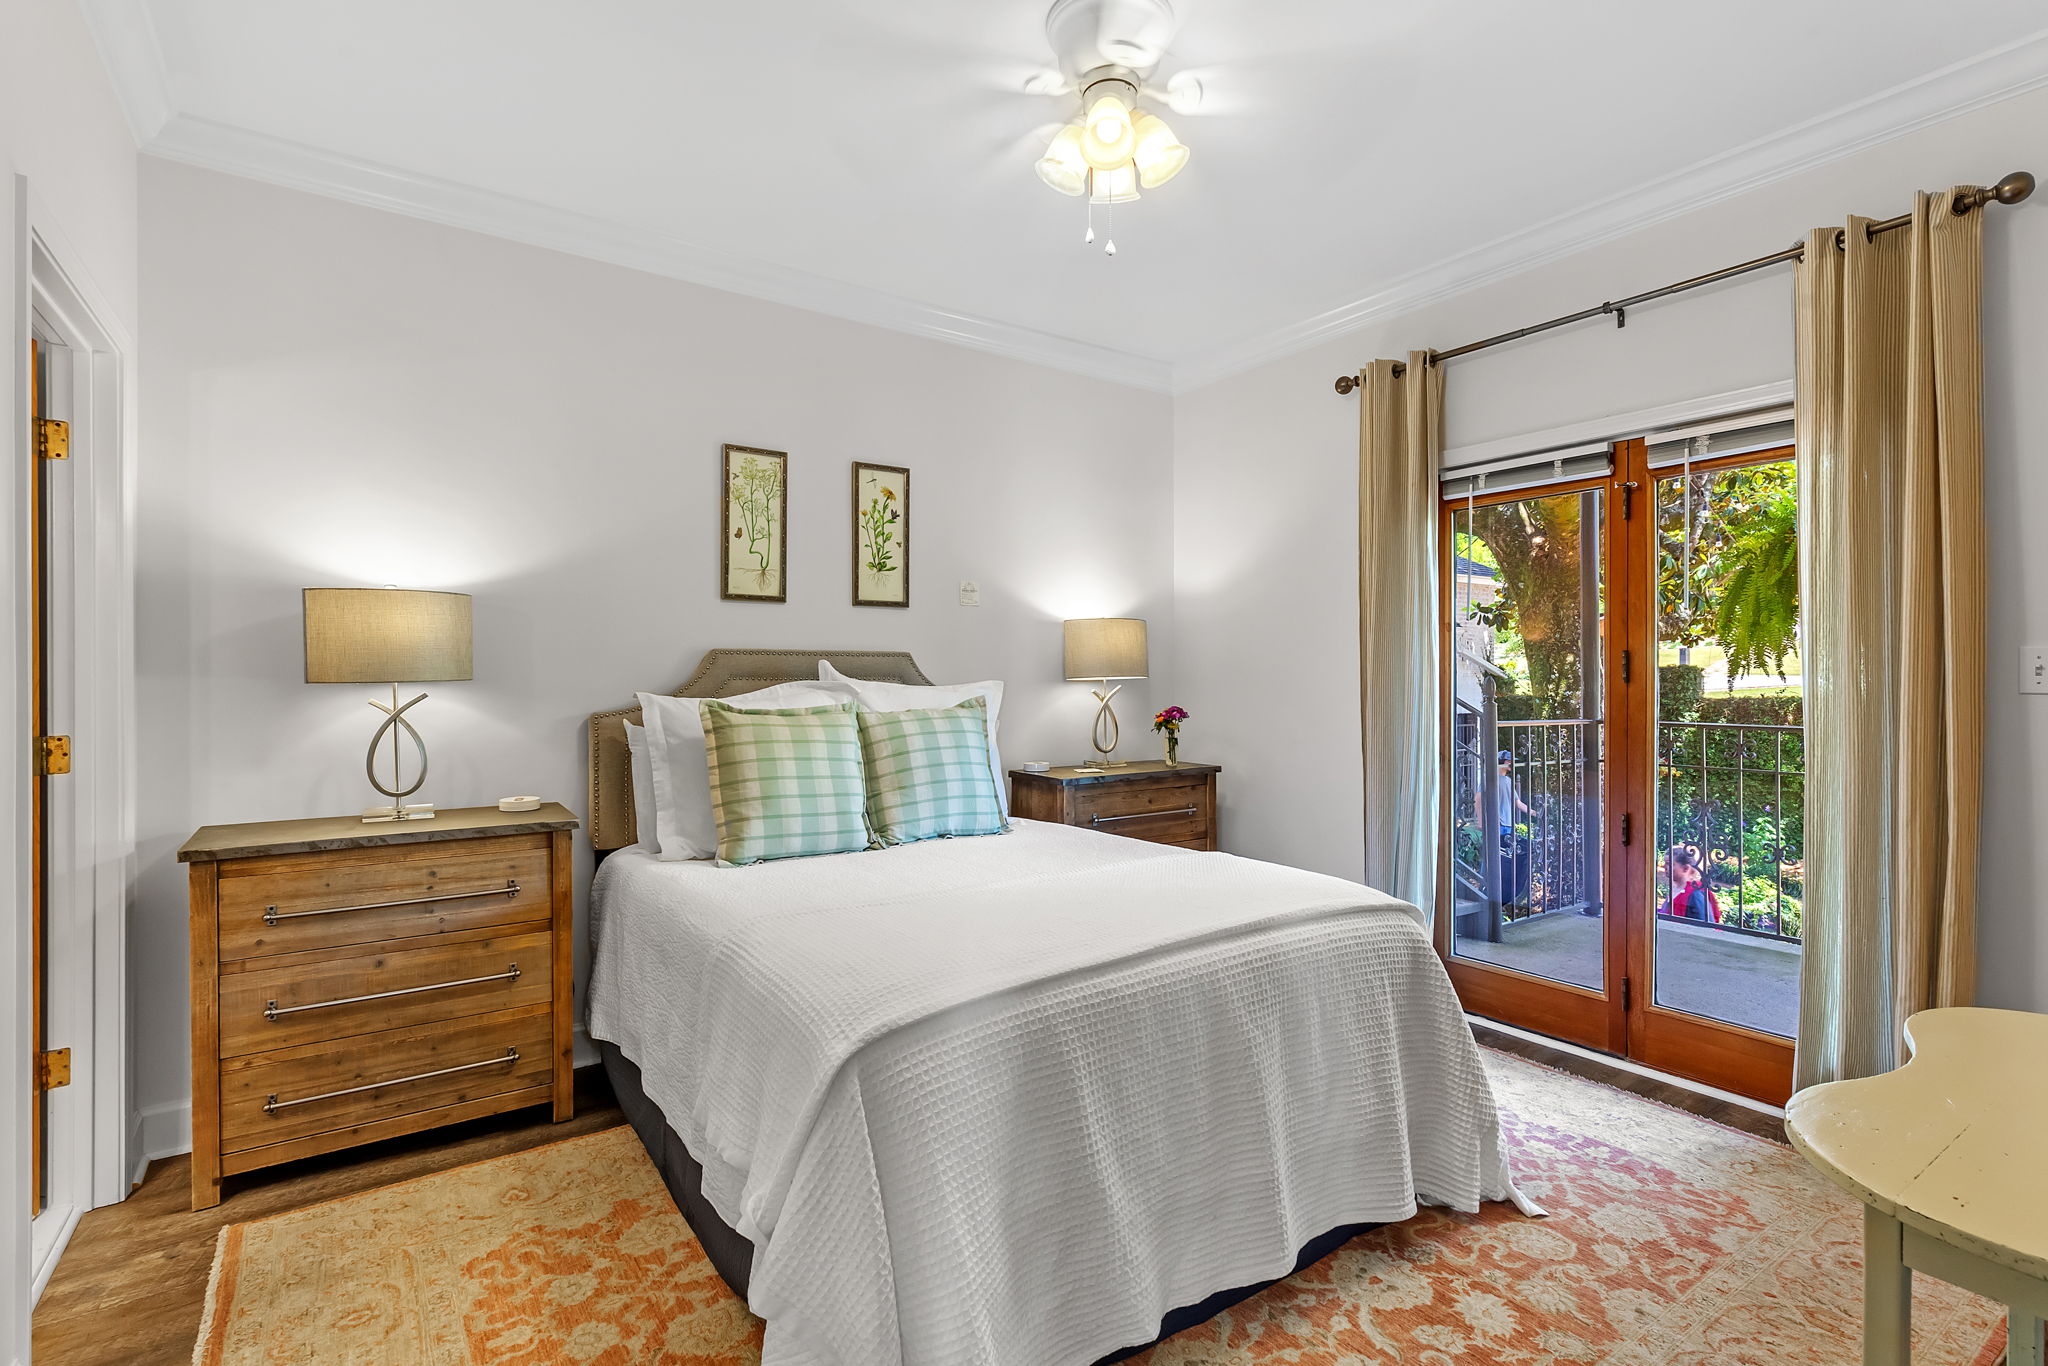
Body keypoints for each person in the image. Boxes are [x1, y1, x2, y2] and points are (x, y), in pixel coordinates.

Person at [1664, 845, 1722, 923]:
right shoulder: (1675, 889)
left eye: (1669, 863)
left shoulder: (1696, 893)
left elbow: (1706, 926)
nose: (1664, 866)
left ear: (1686, 868)